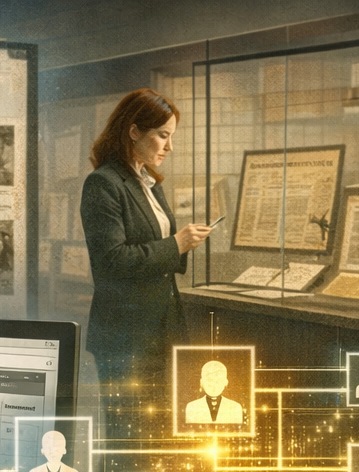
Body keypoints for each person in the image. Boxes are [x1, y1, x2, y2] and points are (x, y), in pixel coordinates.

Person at [80, 89, 213, 397]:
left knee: (158, 428)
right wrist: (177, 244)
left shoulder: (149, 183)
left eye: (172, 136)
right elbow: (111, 261)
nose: (170, 146)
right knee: (128, 432)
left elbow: (156, 248)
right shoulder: (103, 183)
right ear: (134, 131)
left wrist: (182, 243)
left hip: (161, 327)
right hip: (125, 334)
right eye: (163, 135)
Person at [184, 360, 245, 425]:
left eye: (217, 380)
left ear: (225, 382)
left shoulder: (235, 407)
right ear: (201, 382)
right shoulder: (192, 407)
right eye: (209, 380)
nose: (213, 385)